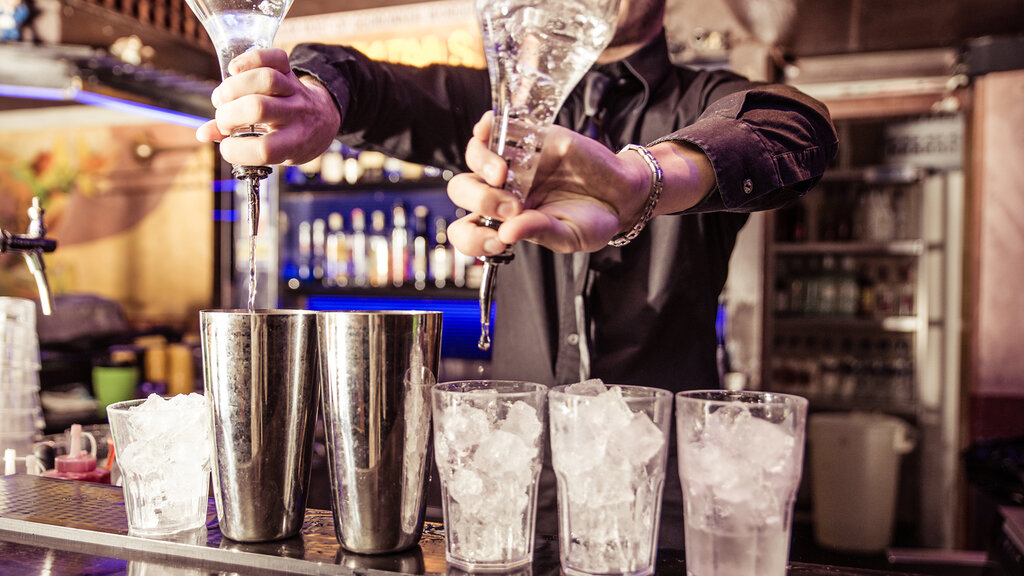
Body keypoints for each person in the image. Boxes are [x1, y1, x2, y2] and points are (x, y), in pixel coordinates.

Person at [197, 0, 838, 548]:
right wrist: (318, 95)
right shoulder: (497, 108)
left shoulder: (701, 99)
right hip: (509, 485)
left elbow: (796, 127)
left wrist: (645, 178)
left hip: (659, 495)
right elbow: (367, 84)